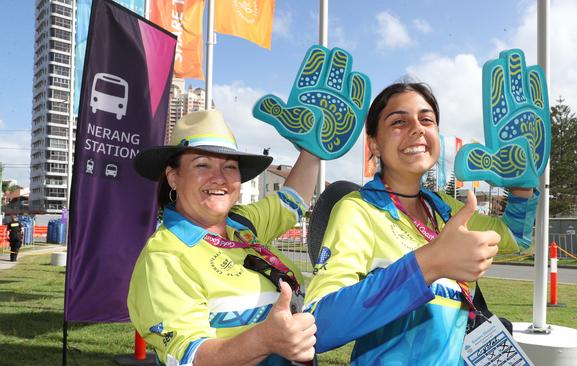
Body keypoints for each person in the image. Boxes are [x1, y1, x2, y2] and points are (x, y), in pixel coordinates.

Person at [304, 82, 540, 365]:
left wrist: (523, 190)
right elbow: (319, 325)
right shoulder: (358, 210)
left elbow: (515, 238)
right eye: (399, 121)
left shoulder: (447, 209)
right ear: (374, 143)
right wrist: (427, 264)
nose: (417, 128)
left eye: (426, 119)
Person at [127, 110, 320, 366]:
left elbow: (291, 200)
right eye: (202, 164)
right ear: (174, 177)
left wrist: (314, 147)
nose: (219, 177)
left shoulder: (242, 224)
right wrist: (264, 340)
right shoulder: (165, 256)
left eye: (230, 166)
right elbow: (190, 358)